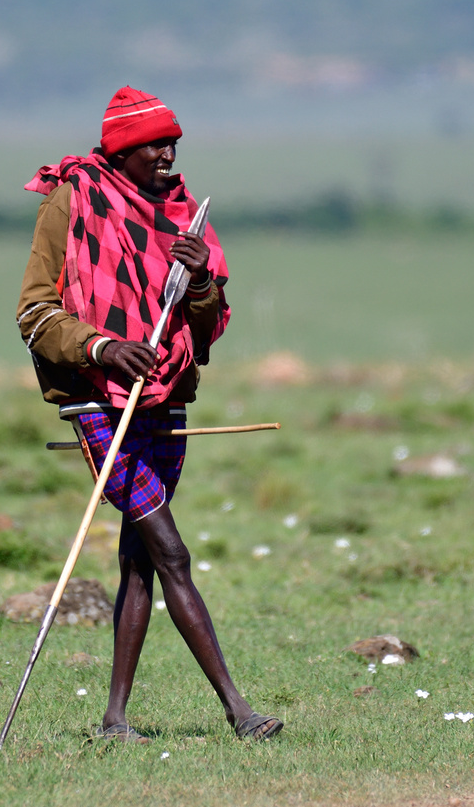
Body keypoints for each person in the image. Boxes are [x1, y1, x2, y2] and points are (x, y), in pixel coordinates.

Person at [17, 86, 282, 743]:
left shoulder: (183, 213)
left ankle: (114, 719)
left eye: (173, 144)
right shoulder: (72, 198)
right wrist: (103, 345)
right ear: (123, 150)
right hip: (98, 400)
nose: (168, 155)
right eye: (155, 145)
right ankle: (239, 712)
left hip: (163, 398)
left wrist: (198, 282)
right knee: (172, 551)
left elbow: (207, 323)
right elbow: (33, 313)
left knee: (139, 561)